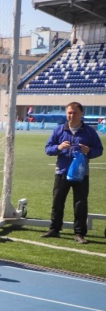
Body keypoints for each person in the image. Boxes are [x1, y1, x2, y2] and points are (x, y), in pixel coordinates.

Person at [41, 101, 103, 244]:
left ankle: (80, 233)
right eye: (69, 112)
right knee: (57, 201)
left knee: (80, 204)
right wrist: (59, 147)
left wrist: (89, 151)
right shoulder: (59, 130)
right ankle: (54, 229)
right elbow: (48, 149)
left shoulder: (89, 132)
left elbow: (99, 150)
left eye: (75, 113)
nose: (71, 115)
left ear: (81, 114)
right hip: (62, 171)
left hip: (81, 174)